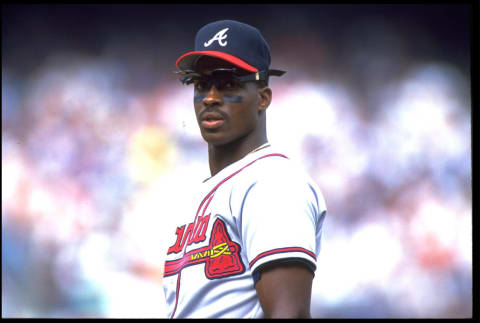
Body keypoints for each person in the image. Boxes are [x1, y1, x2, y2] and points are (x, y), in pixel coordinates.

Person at [162, 19, 327, 318]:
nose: (211, 97)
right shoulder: (213, 189)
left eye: (228, 85)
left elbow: (290, 313)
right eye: (201, 84)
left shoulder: (272, 182)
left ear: (262, 98)